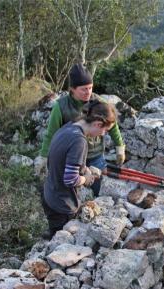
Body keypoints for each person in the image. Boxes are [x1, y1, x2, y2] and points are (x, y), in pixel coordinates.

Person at [37, 63, 125, 196]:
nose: (88, 92)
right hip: (72, 158)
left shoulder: (98, 102)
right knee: (73, 188)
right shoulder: (61, 106)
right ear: (72, 89)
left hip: (95, 156)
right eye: (84, 89)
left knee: (99, 189)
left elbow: (112, 125)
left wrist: (120, 146)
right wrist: (44, 156)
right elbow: (51, 133)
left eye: (90, 88)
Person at [41, 99, 116, 239]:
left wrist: (84, 169)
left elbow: (64, 160)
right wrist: (86, 179)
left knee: (53, 232)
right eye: (105, 130)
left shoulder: (69, 126)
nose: (103, 134)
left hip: (49, 193)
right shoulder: (79, 141)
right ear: (97, 124)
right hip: (62, 204)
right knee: (61, 242)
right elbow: (70, 179)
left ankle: (50, 235)